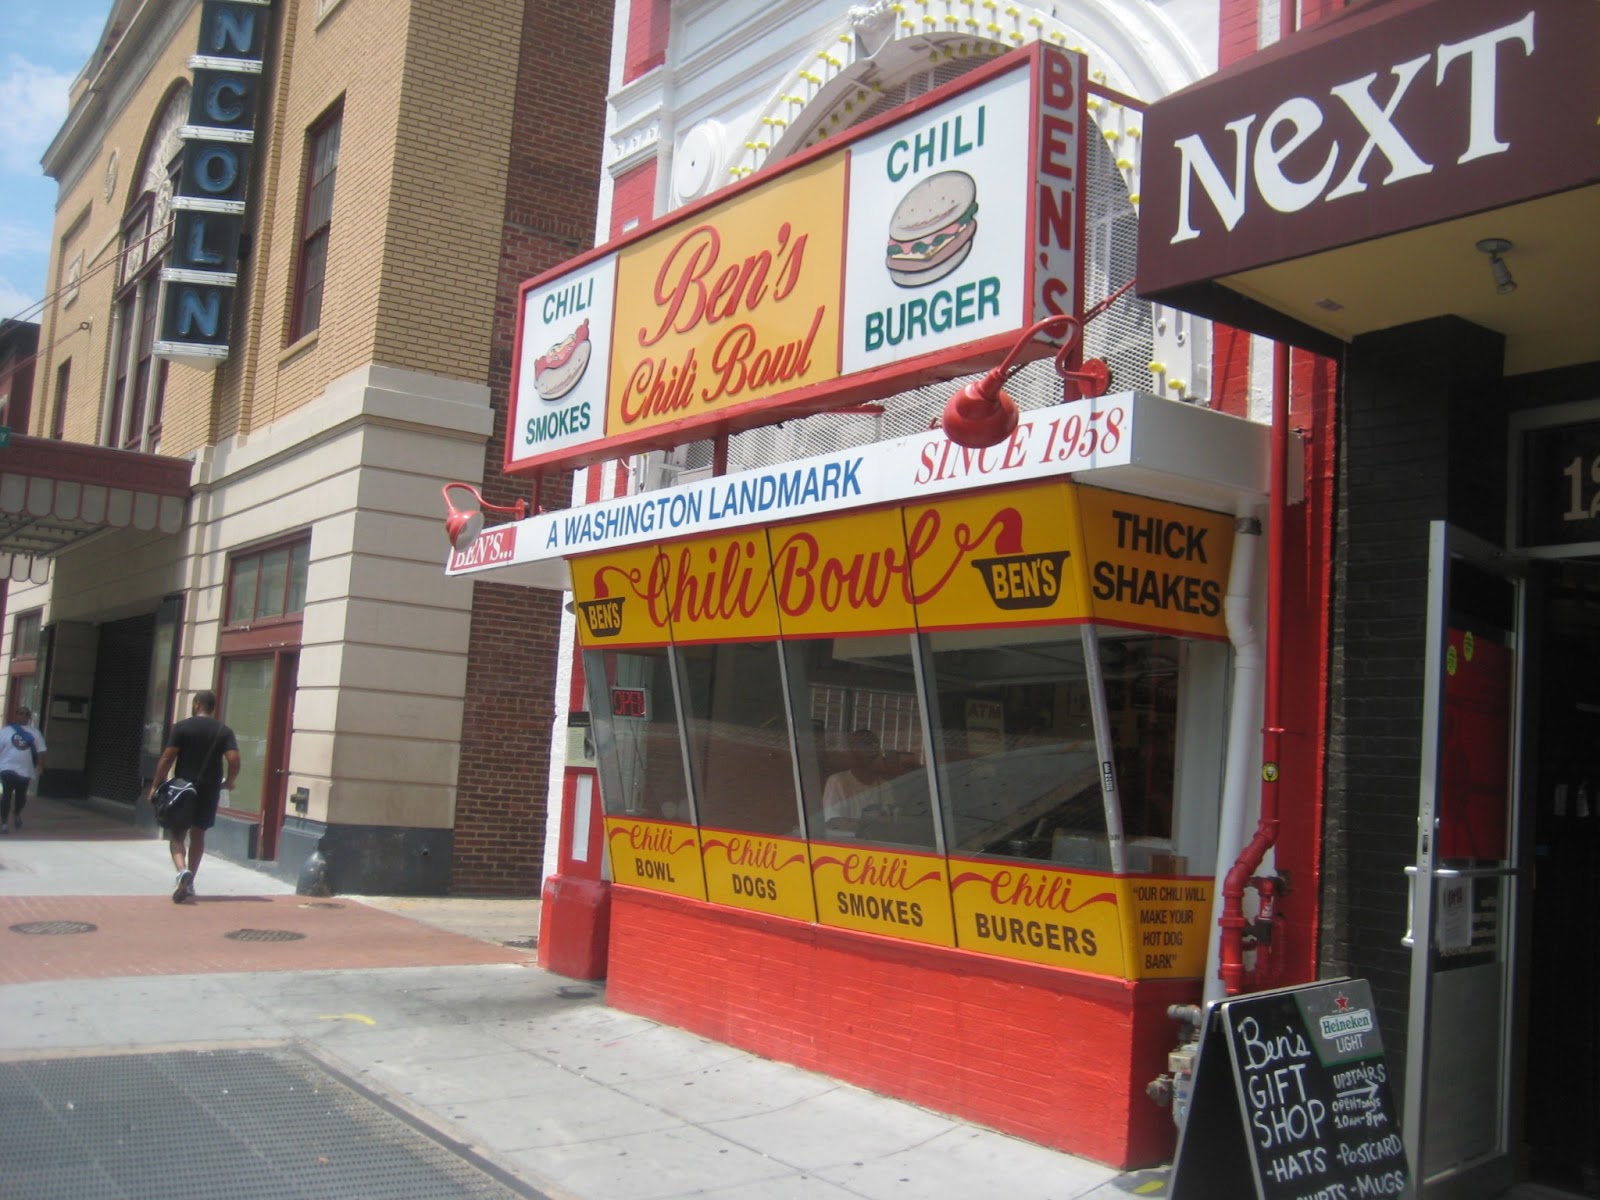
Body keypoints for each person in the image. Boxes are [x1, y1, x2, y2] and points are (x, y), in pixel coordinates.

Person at [145, 690, 240, 903]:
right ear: (212, 707)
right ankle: (191, 881)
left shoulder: (182, 727)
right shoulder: (223, 731)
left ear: (197, 704)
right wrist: (229, 781)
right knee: (199, 835)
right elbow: (234, 759)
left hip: (183, 790)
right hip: (210, 790)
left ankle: (181, 871)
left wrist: (155, 785)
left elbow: (168, 758)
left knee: (177, 834)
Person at [820, 728, 885, 834]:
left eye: (876, 749)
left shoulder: (884, 785)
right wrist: (871, 826)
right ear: (853, 753)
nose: (873, 752)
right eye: (867, 746)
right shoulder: (837, 782)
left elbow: (889, 821)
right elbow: (834, 821)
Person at [0, 704, 46, 833]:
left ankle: (17, 813)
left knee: (21, 797)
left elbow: (41, 751)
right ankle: (4, 822)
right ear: (16, 715)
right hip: (7, 767)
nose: (23, 715)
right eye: (21, 713)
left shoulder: (35, 733)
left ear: (30, 717)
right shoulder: (6, 731)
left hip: (25, 769)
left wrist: (40, 766)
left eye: (26, 714)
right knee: (6, 795)